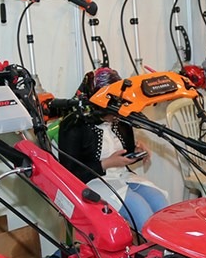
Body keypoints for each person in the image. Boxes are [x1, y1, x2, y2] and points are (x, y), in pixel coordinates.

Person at [57, 66, 169, 230]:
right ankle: (151, 246)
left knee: (160, 202)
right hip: (92, 183)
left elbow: (125, 153)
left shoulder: (121, 118)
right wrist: (106, 164)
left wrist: (136, 152)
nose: (118, 111)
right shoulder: (73, 125)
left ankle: (167, 245)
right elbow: (69, 174)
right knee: (140, 210)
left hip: (123, 176)